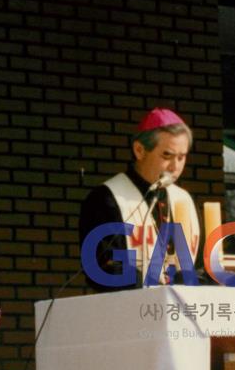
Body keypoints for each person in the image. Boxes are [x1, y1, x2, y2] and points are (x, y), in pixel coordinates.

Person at [78, 108, 201, 291]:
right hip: (127, 312)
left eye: (181, 157)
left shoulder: (183, 200)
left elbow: (199, 266)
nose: (175, 167)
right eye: (167, 155)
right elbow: (100, 270)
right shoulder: (106, 199)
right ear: (139, 150)